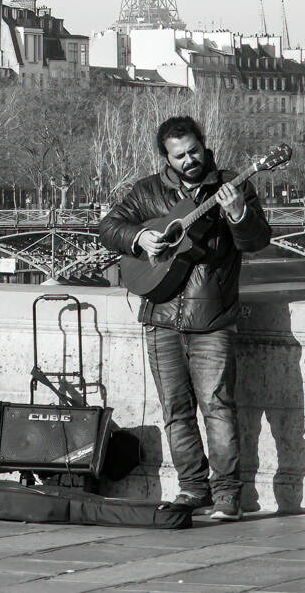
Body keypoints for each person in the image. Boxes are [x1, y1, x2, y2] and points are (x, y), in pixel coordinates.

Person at [98, 115, 271, 521]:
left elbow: (256, 241)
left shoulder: (233, 185)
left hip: (211, 317)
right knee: (176, 411)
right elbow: (108, 227)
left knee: (218, 407)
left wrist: (238, 213)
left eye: (194, 151)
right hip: (160, 316)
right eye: (180, 156)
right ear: (166, 158)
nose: (190, 160)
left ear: (203, 145)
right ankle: (193, 490)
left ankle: (228, 495)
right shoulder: (148, 192)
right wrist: (139, 237)